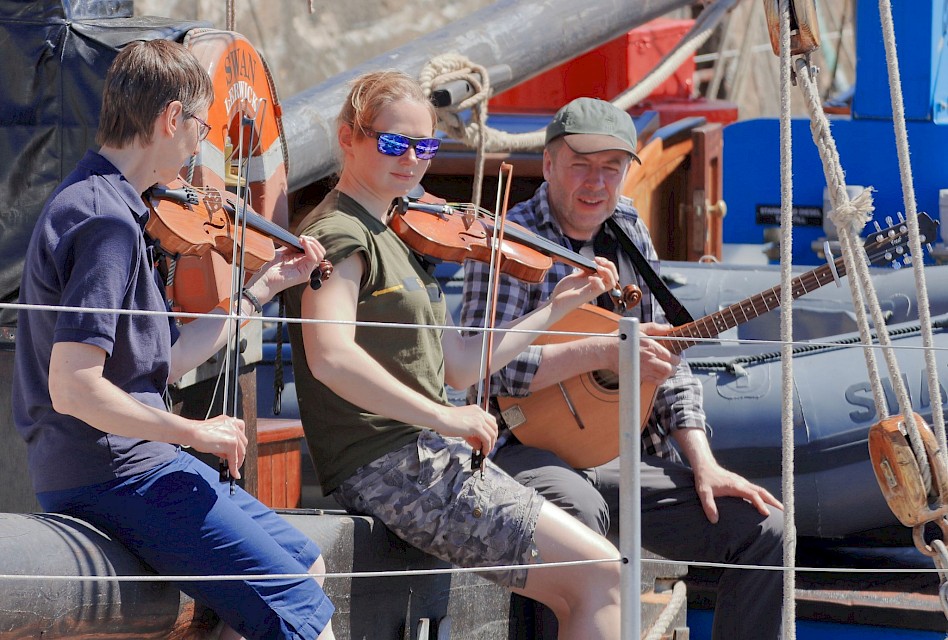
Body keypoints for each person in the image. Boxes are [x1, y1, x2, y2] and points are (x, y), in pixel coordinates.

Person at [12, 40, 335, 640]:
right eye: (200, 127)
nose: (198, 145)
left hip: (137, 463)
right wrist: (193, 432)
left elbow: (170, 358)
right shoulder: (105, 223)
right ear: (170, 119)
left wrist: (264, 287)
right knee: (301, 613)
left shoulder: (115, 208)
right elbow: (73, 388)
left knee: (309, 567)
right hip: (112, 473)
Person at [285, 70, 623, 638]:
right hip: (389, 461)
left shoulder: (395, 229)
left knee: (597, 578)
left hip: (422, 453)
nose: (412, 159)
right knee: (599, 577)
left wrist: (557, 308)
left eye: (426, 146)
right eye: (394, 143)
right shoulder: (340, 233)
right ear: (347, 138)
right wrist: (445, 416)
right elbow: (330, 356)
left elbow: (459, 365)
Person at [460, 97, 785, 640]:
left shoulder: (628, 228)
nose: (596, 183)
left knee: (767, 528)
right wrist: (604, 353)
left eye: (611, 167)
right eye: (581, 165)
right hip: (518, 449)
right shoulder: (507, 238)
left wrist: (704, 463)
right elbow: (486, 371)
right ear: (547, 165)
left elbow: (666, 359)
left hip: (615, 454)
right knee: (575, 515)